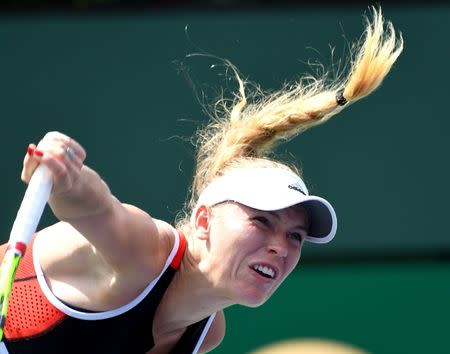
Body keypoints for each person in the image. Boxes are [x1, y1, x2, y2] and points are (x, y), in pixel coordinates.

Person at [0, 7, 402, 354]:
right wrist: (67, 174)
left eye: (295, 237)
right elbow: (92, 206)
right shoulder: (143, 251)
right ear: (204, 221)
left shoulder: (207, 332)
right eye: (261, 222)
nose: (281, 247)